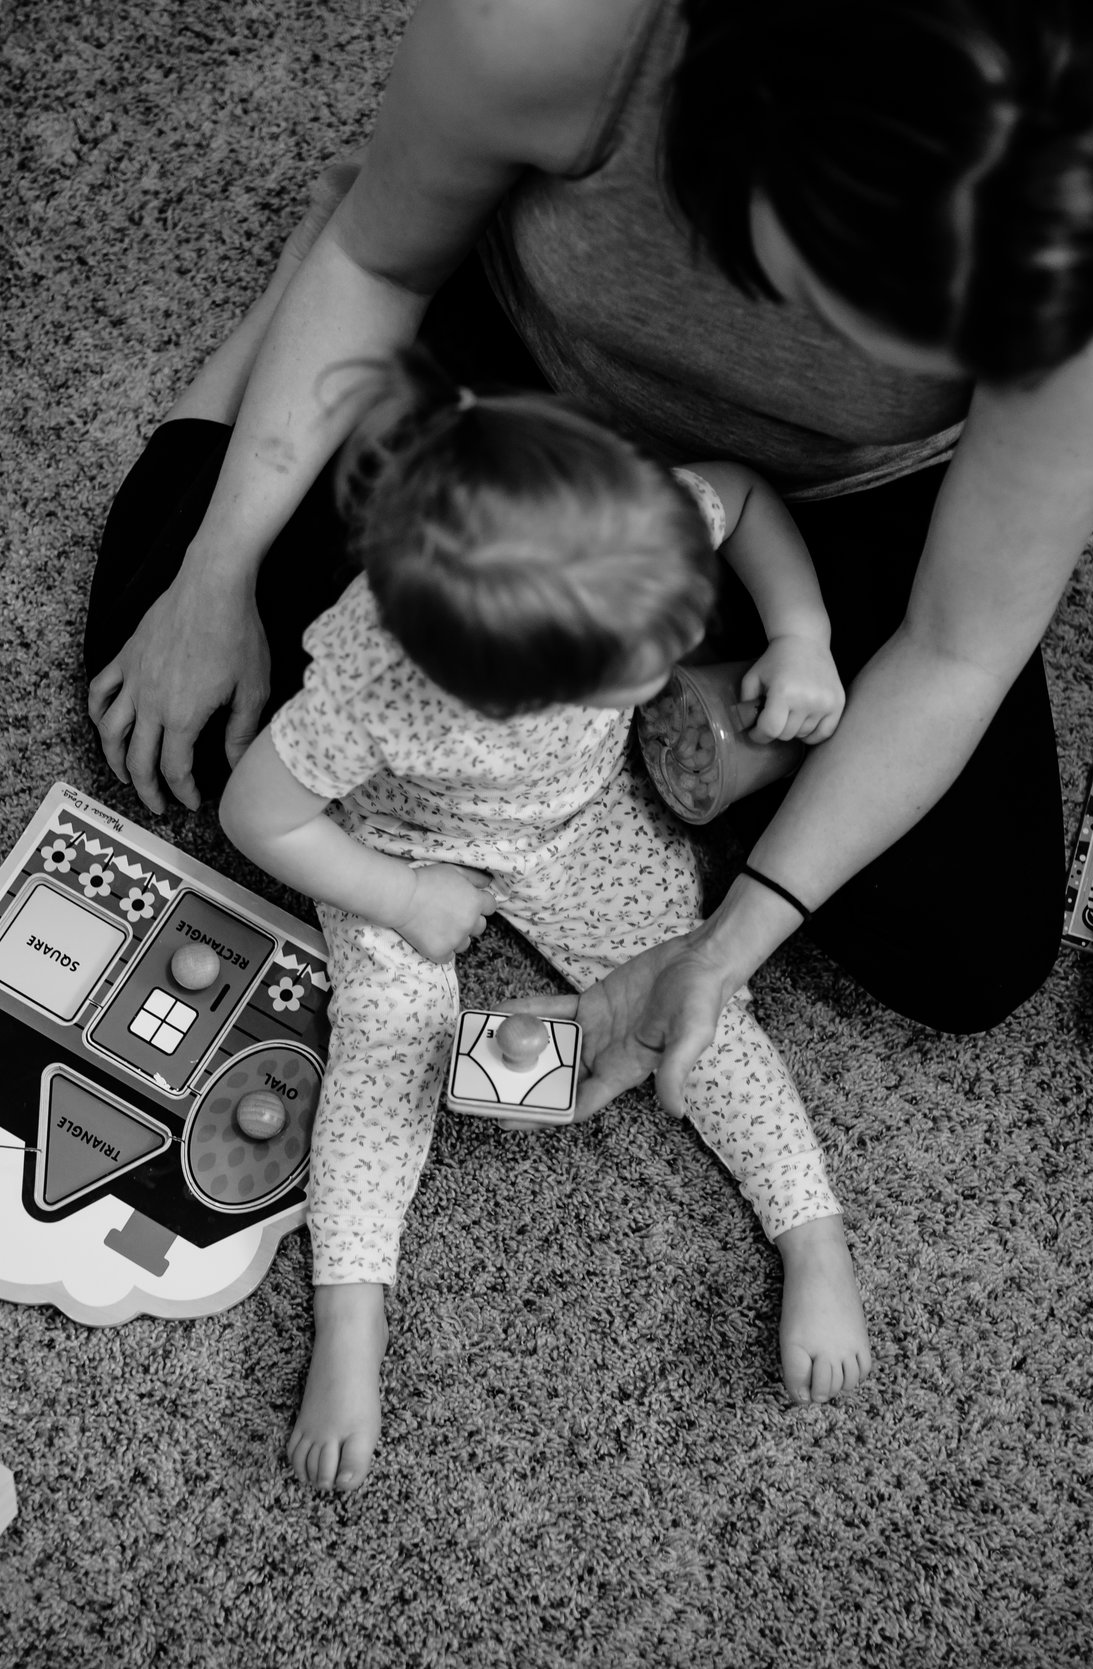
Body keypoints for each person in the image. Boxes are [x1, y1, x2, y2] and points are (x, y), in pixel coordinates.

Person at [86, 0, 1093, 1113]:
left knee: (966, 951)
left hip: (837, 494)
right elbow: (382, 269)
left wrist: (721, 948)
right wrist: (213, 574)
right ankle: (287, 288)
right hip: (524, 409)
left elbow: (961, 644)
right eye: (861, 302)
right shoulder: (552, 29)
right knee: (180, 687)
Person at [221, 354, 869, 1492]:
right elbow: (259, 813)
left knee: (698, 996)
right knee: (386, 1045)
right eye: (642, 660)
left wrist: (802, 630)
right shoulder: (380, 688)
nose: (675, 657)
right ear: (498, 692)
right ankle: (349, 1321)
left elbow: (746, 497)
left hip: (575, 823)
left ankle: (810, 1230)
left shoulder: (631, 526)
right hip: (402, 847)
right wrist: (401, 898)